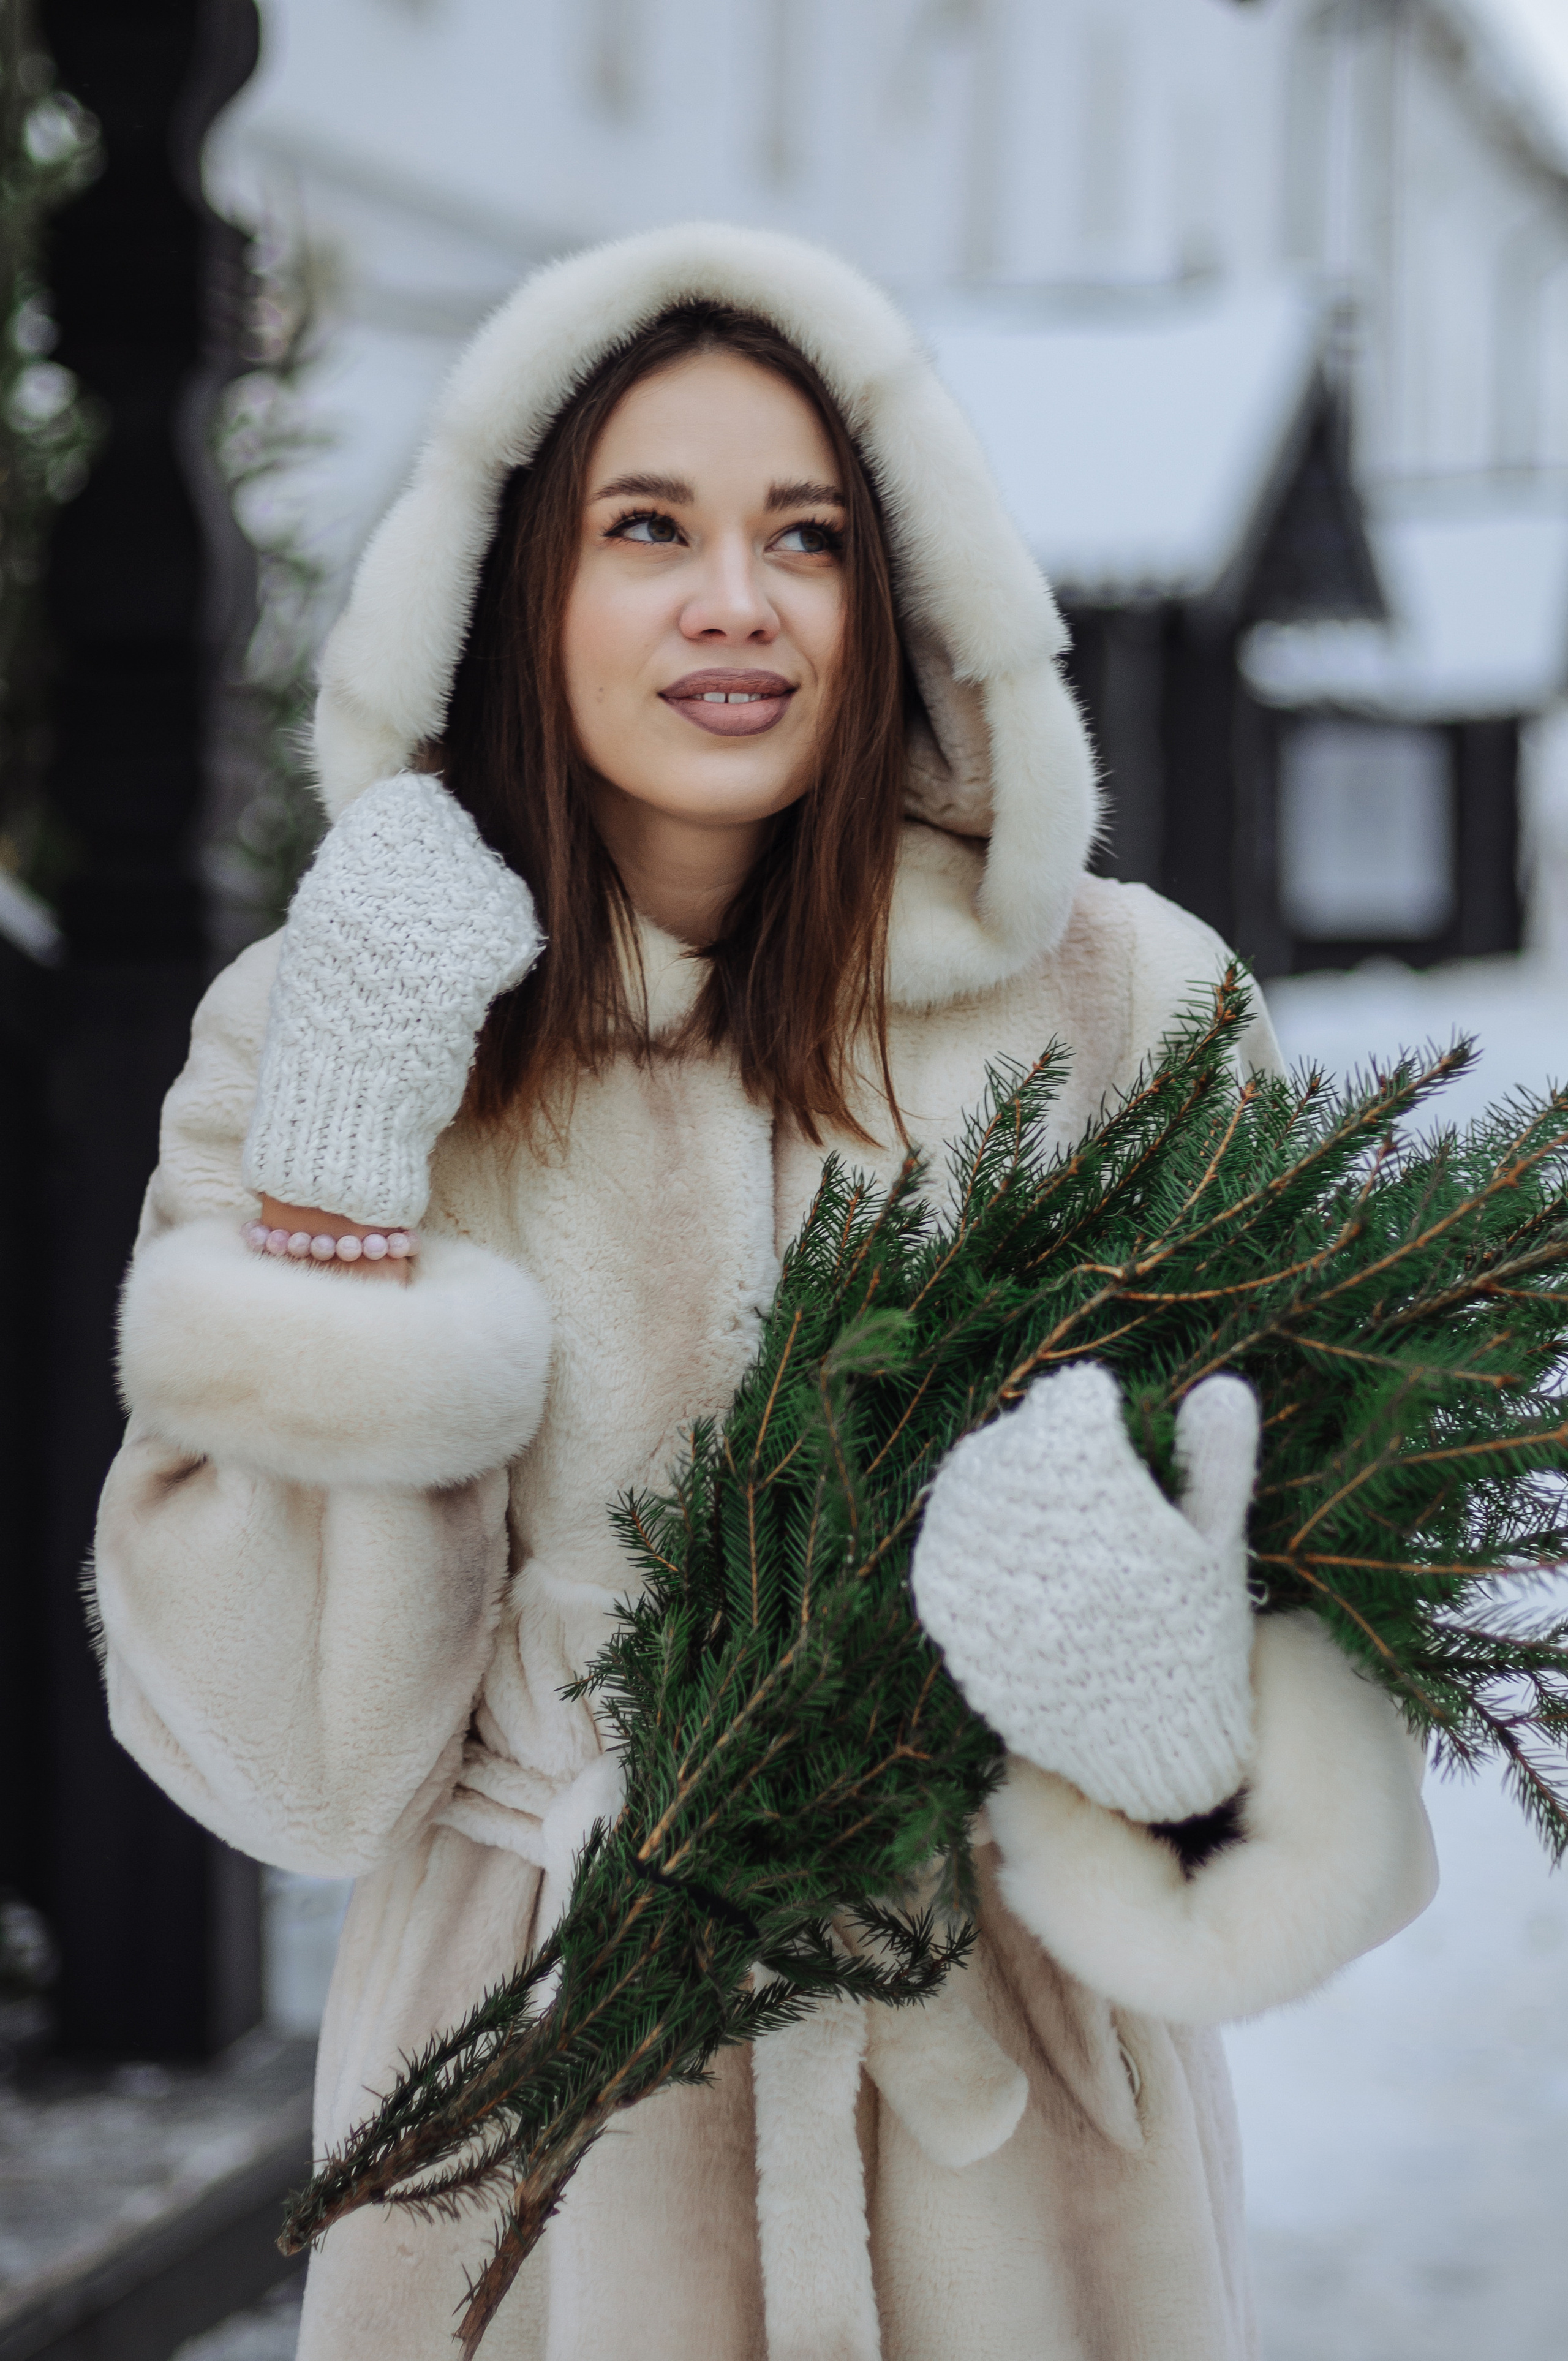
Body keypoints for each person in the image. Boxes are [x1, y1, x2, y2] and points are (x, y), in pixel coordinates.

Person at [94, 224, 1437, 2361]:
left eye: (807, 536)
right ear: (511, 587)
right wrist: (344, 1202)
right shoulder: (332, 1034)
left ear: (900, 595)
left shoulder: (1126, 1016)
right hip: (530, 2166)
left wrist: (1177, 1726)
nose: (738, 603)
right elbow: (295, 1778)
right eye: (650, 529)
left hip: (1017, 2195)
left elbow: (1327, 1719)